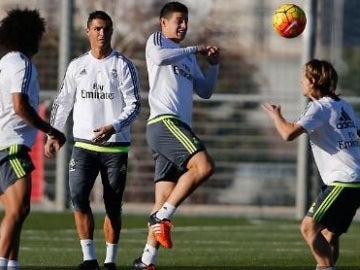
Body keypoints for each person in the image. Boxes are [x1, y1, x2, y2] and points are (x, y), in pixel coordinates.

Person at [44, 10, 141, 270]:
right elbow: (63, 102)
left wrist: (114, 126)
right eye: (97, 28)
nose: (102, 33)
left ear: (111, 32)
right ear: (88, 31)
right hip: (83, 146)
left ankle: (110, 261)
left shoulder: (123, 65)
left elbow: (134, 105)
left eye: (106, 29)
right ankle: (89, 258)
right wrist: (52, 133)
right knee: (77, 197)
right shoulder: (77, 65)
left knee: (112, 203)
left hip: (115, 146)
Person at [132, 2, 220, 269]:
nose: (183, 25)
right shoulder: (158, 41)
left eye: (186, 21)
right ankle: (161, 218)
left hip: (176, 128)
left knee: (161, 199)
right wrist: (196, 48)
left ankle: (146, 260)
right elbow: (159, 59)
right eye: (178, 20)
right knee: (204, 166)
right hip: (164, 123)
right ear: (164, 23)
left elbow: (205, 91)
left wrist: (213, 65)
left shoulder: (188, 57)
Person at [262, 59, 360, 270]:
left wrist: (276, 116)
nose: (300, 82)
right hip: (353, 181)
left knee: (309, 228)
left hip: (343, 182)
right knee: (329, 234)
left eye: (303, 77)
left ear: (313, 80)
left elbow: (288, 134)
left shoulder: (318, 108)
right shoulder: (343, 105)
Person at [0, 8, 66, 270]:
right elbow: (20, 105)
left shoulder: (4, 62)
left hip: (5, 144)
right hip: (11, 146)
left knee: (16, 211)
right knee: (18, 209)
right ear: (30, 36)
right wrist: (51, 130)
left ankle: (11, 265)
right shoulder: (21, 64)